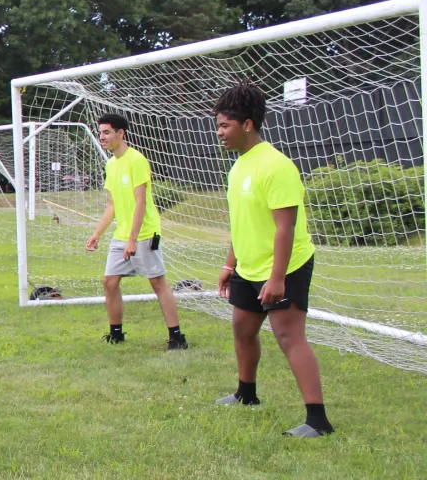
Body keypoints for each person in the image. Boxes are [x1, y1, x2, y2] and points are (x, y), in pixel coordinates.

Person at [212, 82, 333, 437]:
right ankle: (246, 394)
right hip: (248, 267)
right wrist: (229, 265)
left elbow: (286, 228)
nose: (219, 133)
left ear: (248, 124)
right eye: (218, 126)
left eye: (225, 126)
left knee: (288, 335)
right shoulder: (237, 167)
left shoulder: (277, 166)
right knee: (242, 329)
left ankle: (318, 420)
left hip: (286, 266)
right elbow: (240, 223)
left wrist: (277, 278)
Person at [85, 113, 188, 350]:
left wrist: (133, 239)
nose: (102, 137)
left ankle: (177, 337)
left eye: (107, 132)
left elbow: (140, 203)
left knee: (157, 283)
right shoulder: (110, 164)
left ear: (121, 134)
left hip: (143, 233)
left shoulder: (137, 161)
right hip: (122, 234)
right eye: (100, 132)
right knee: (109, 282)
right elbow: (112, 205)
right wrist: (97, 233)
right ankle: (116, 334)